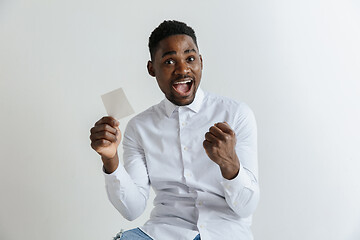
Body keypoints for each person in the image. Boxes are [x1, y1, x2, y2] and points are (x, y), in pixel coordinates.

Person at [90, 20, 259, 240]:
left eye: (190, 58)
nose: (182, 69)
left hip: (223, 232)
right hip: (163, 232)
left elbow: (246, 208)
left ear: (201, 61)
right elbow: (131, 210)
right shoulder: (140, 128)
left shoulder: (236, 114)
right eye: (169, 61)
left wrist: (230, 164)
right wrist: (110, 159)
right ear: (152, 69)